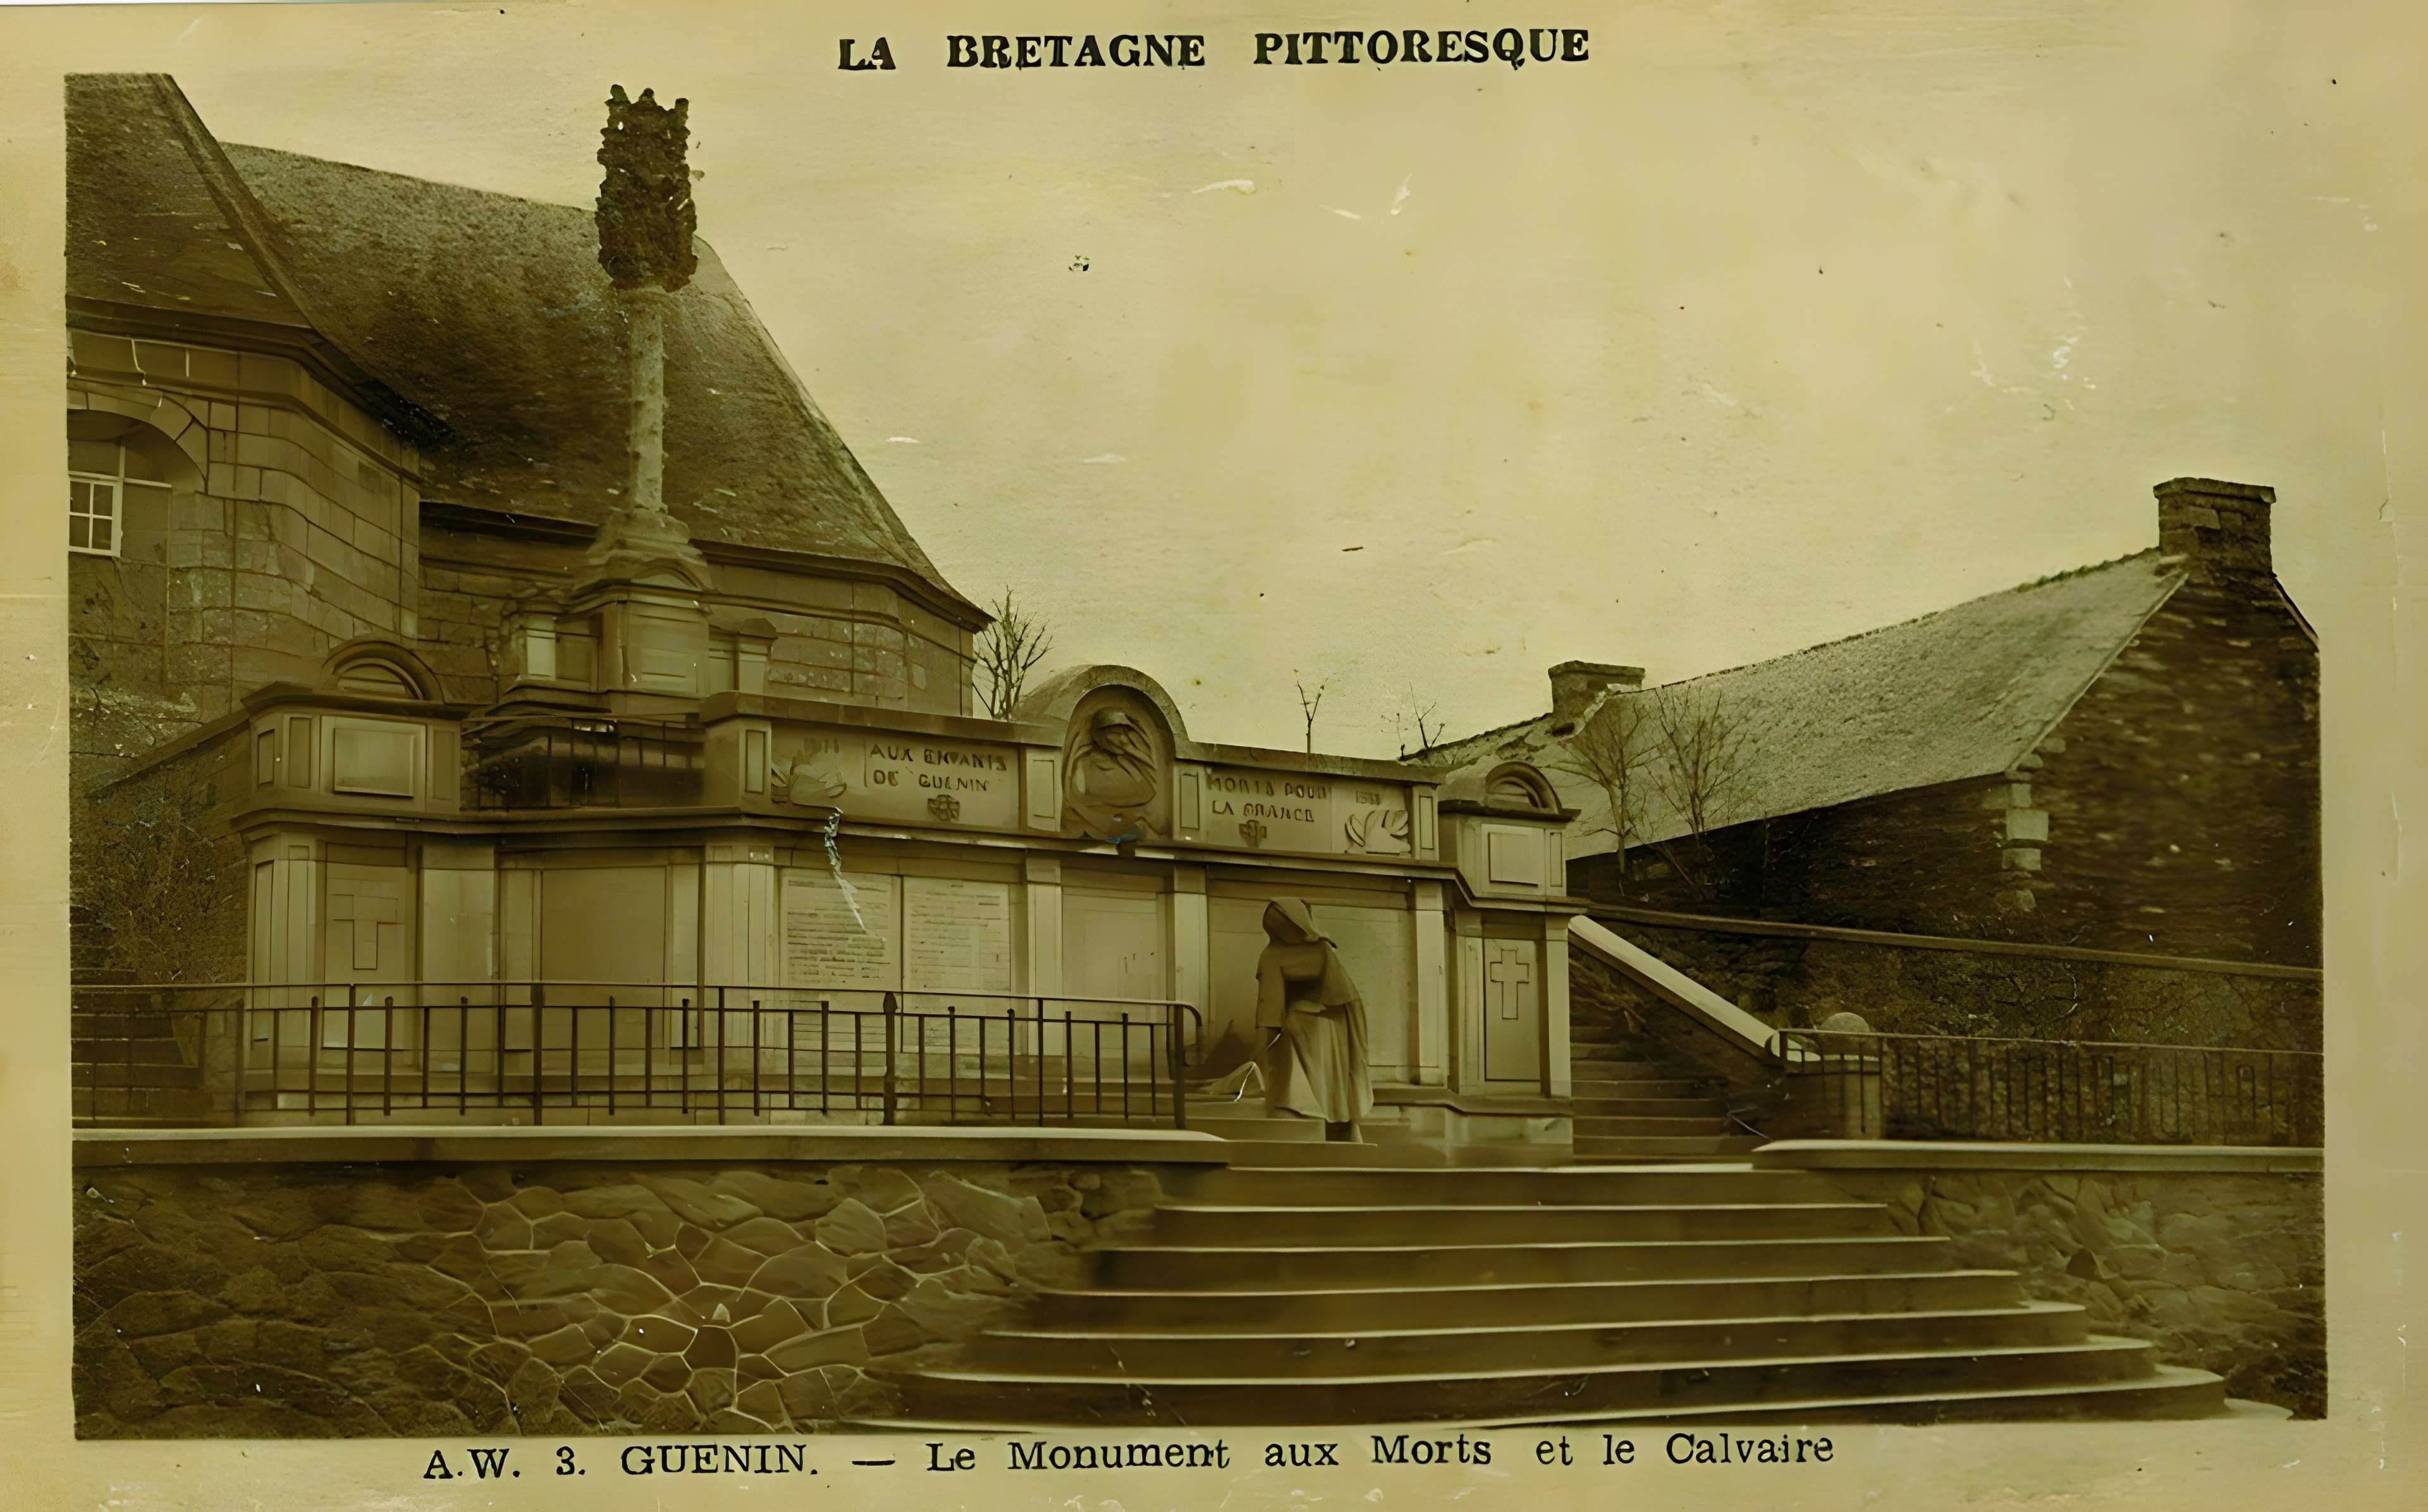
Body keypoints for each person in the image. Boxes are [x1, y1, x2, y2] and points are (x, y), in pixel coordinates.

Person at [1254, 898, 1371, 1141]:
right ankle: (1338, 1123)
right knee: (1330, 1086)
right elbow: (1347, 998)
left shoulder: (1272, 955)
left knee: (1300, 1074)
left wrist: (1257, 1058)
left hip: (1302, 1028)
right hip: (1335, 1029)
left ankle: (1310, 1118)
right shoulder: (1322, 949)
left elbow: (1270, 1015)